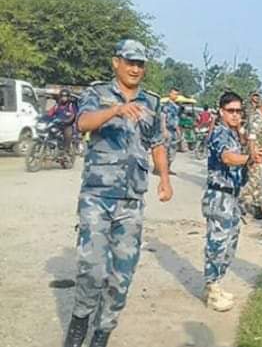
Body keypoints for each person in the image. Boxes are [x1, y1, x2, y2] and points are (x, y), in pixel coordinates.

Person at [63, 39, 173, 347]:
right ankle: (80, 320)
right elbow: (83, 122)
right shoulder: (97, 93)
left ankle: (102, 333)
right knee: (92, 268)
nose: (135, 68)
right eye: (130, 62)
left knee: (122, 275)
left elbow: (157, 143)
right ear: (116, 62)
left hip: (131, 199)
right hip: (97, 196)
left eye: (140, 64)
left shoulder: (152, 102)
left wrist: (164, 178)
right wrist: (115, 110)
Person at [202, 91, 262, 312]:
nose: (236, 115)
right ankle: (211, 288)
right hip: (219, 196)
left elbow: (244, 156)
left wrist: (249, 146)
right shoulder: (220, 133)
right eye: (231, 111)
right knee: (217, 244)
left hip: (233, 196)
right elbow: (227, 157)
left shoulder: (235, 134)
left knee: (229, 245)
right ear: (221, 112)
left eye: (239, 111)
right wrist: (249, 158)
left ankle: (217, 283)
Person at [243, 99, 262, 219]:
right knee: (254, 180)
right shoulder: (257, 118)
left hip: (258, 154)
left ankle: (253, 204)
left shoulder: (258, 117)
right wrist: (252, 153)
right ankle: (249, 203)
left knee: (254, 180)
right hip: (255, 155)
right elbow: (251, 137)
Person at [48, 88, 78, 156]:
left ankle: (66, 150)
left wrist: (67, 121)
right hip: (57, 125)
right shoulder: (57, 106)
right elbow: (50, 113)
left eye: (65, 96)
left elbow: (73, 115)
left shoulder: (71, 105)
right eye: (62, 96)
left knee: (68, 133)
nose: (64, 98)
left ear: (68, 97)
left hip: (67, 125)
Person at [161, 87, 182, 173]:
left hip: (174, 130)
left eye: (177, 94)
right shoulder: (166, 105)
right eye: (174, 93)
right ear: (170, 94)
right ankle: (163, 169)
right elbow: (163, 117)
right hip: (167, 129)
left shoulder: (176, 107)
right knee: (165, 150)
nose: (175, 95)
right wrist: (164, 129)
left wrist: (178, 130)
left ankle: (168, 168)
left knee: (173, 150)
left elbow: (176, 119)